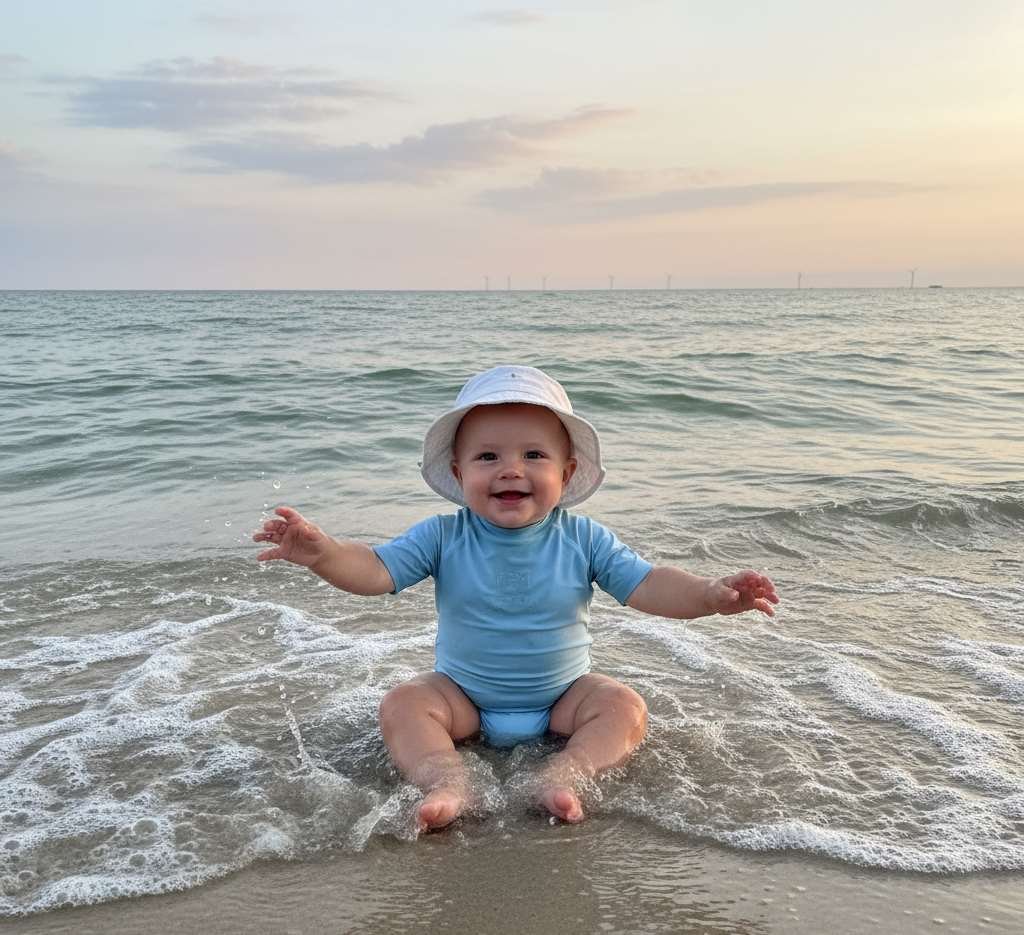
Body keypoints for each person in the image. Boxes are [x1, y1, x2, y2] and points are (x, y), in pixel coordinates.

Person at [253, 365, 779, 830]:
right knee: (403, 704)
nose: (510, 469)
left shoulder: (584, 538)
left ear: (565, 473)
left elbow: (648, 584)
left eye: (533, 455)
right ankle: (447, 781)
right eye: (487, 456)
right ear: (459, 474)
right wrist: (324, 554)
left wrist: (709, 595)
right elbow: (375, 570)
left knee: (624, 706)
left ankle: (565, 773)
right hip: (462, 701)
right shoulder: (442, 535)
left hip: (563, 700)